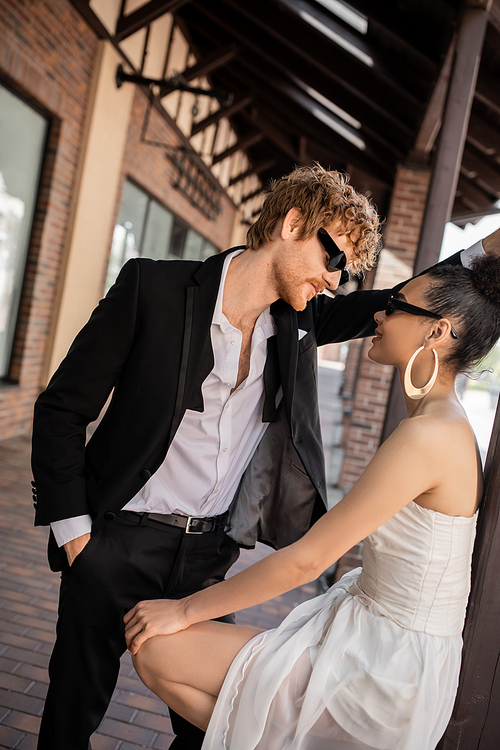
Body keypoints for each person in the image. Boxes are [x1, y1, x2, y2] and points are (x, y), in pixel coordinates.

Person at [30, 161, 490, 750]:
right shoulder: (154, 290)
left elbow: (418, 303)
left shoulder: (300, 323)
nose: (336, 281)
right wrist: (77, 535)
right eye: (332, 259)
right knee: (71, 711)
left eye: (345, 272)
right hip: (114, 538)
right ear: (294, 223)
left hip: (207, 554)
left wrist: (488, 251)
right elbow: (61, 409)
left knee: (209, 721)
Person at [124, 253, 500, 750]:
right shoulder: (439, 424)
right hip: (378, 639)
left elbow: (306, 560)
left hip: (386, 667)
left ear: (438, 332)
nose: (380, 315)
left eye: (396, 304)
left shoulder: (430, 435)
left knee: (159, 649)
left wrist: (184, 611)